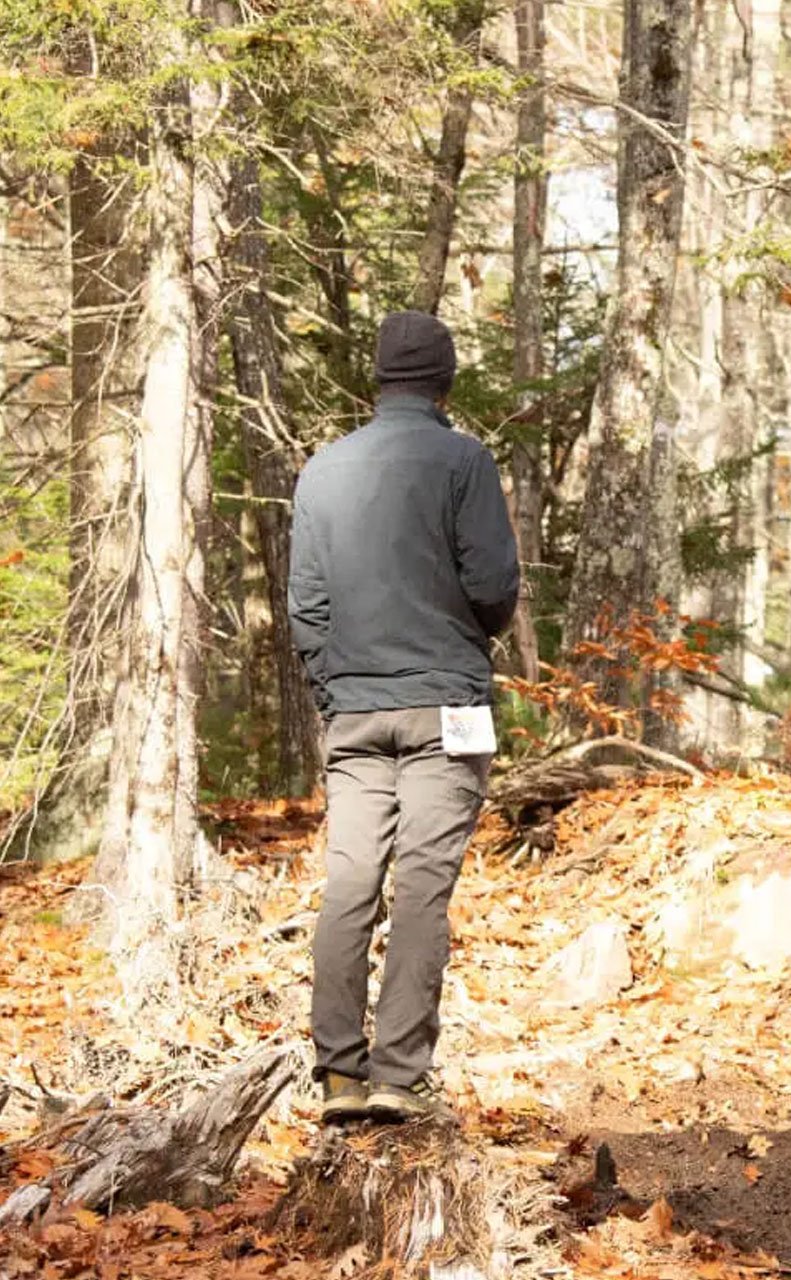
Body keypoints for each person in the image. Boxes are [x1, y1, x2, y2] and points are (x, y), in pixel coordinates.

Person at [288, 311, 520, 1124]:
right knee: (423, 885)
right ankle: (399, 1077)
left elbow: (306, 609)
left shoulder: (322, 470)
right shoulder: (464, 460)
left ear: (376, 378)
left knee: (349, 882)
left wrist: (336, 690)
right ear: (445, 381)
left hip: (354, 713)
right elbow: (493, 588)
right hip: (447, 706)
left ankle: (340, 1079)